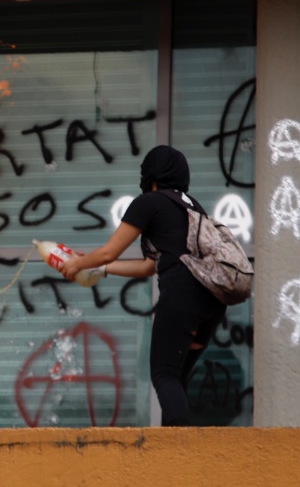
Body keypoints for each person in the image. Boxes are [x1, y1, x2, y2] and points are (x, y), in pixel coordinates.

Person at [57, 145, 226, 426]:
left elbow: (111, 251)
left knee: (164, 375)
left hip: (183, 294)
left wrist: (77, 265)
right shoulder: (193, 207)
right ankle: (181, 449)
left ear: (151, 178)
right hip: (212, 299)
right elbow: (149, 266)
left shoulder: (150, 202)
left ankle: (175, 454)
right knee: (177, 375)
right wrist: (101, 268)